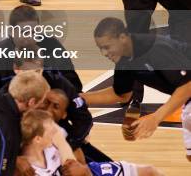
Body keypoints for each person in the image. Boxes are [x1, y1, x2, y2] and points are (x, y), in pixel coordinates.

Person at [81, 18, 191, 159]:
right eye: (100, 48)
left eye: (107, 47)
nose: (104, 53)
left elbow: (188, 85)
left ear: (122, 38)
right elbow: (121, 94)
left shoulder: (155, 48)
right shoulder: (123, 60)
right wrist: (80, 97)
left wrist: (156, 118)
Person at [19, 109, 164, 175]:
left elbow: (66, 147)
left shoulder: (47, 139)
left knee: (149, 171)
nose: (55, 134)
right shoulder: (26, 169)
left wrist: (78, 165)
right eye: (50, 132)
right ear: (37, 139)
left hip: (88, 171)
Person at [42, 89, 113, 164]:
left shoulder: (66, 136)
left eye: (56, 107)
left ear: (64, 114)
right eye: (46, 103)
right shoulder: (30, 123)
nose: (48, 109)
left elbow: (80, 166)